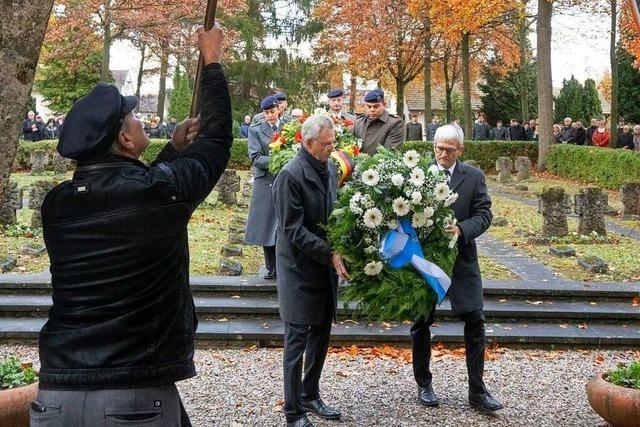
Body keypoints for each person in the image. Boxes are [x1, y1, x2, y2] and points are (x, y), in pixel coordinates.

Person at [33, 25, 230, 426]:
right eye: (135, 117)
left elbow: (139, 201)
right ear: (125, 138)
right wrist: (212, 61)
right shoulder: (156, 195)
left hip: (56, 394)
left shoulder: (57, 205)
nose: (141, 123)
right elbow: (217, 144)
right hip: (132, 396)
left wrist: (172, 149)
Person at [411, 124, 501, 414]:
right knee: (420, 321)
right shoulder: (417, 174)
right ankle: (424, 384)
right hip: (425, 260)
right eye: (438, 147)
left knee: (475, 320)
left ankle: (477, 390)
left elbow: (484, 214)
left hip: (462, 260)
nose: (442, 154)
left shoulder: (473, 177)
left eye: (449, 149)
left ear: (460, 150)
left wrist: (462, 230)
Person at [272, 114, 348, 427]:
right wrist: (329, 253)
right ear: (308, 143)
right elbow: (292, 229)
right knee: (296, 342)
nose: (332, 149)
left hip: (325, 265)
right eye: (327, 145)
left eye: (333, 143)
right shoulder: (290, 175)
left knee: (321, 333)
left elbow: (334, 207)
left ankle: (310, 394)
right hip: (299, 269)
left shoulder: (329, 167)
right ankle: (293, 412)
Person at [245, 96, 281, 280]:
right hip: (266, 180)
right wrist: (280, 161)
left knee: (284, 223)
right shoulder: (256, 130)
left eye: (272, 112)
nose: (270, 116)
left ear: (278, 109)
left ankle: (285, 265)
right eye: (266, 113)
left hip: (285, 180)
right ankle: (271, 267)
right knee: (268, 223)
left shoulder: (290, 128)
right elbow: (256, 158)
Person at [353, 89, 404, 155]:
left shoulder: (395, 123)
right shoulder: (358, 122)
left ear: (384, 104)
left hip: (379, 164)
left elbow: (390, 153)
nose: (372, 110)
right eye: (369, 106)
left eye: (376, 106)